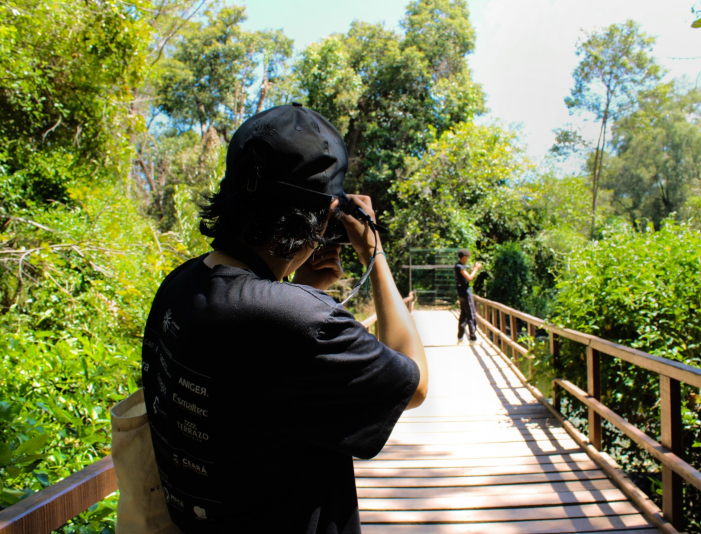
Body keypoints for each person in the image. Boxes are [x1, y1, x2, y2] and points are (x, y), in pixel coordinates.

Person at [140, 103, 428, 534]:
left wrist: (301, 285)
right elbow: (415, 384)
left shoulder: (180, 284)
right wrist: (374, 252)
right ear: (321, 217)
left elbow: (253, 381)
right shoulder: (296, 320)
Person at [454, 249, 482, 345]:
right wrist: (476, 269)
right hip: (465, 294)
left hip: (461, 294)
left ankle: (460, 338)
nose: (468, 259)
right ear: (464, 257)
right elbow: (469, 278)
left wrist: (471, 269)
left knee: (464, 315)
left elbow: (465, 276)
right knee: (471, 314)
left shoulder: (458, 266)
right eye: (467, 257)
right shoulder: (459, 267)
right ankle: (472, 338)